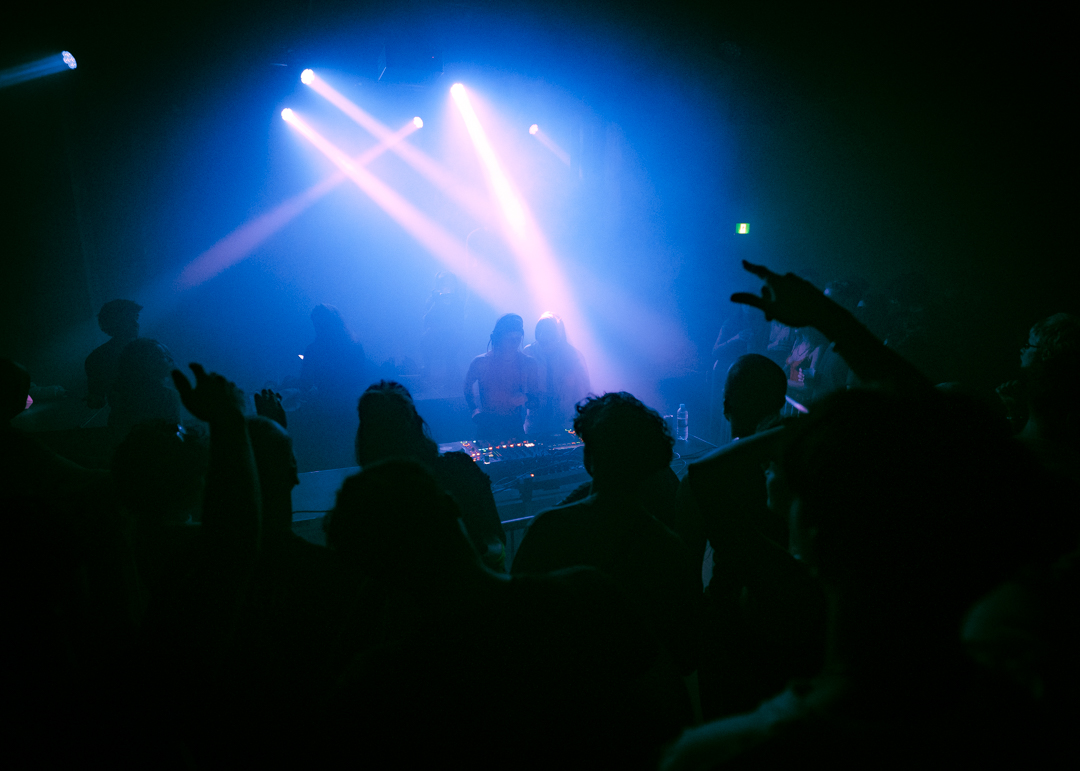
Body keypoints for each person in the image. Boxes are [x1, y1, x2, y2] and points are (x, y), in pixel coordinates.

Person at [511, 392, 701, 746]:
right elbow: (687, 655)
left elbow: (514, 632)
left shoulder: (549, 530)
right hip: (641, 729)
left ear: (590, 458)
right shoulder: (669, 549)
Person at [354, 380, 507, 571]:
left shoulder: (361, 496)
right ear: (417, 424)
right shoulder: (460, 469)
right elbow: (497, 539)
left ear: (365, 436)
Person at [463, 313, 539, 443]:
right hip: (487, 425)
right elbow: (467, 385)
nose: (514, 343)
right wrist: (474, 409)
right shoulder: (481, 362)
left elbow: (535, 398)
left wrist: (526, 398)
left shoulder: (528, 363)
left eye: (517, 338)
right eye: (510, 338)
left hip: (514, 425)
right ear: (498, 338)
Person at [523, 312, 591, 436]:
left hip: (566, 424)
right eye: (540, 331)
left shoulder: (573, 356)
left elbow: (583, 392)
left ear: (558, 334)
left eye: (548, 332)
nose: (542, 336)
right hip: (536, 425)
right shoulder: (529, 353)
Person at [107, 338, 181, 435]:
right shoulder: (167, 395)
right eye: (163, 356)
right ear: (148, 362)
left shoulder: (119, 394)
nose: (170, 359)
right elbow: (175, 433)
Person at [85, 299, 141, 410]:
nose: (135, 324)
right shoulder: (97, 358)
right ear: (114, 322)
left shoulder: (96, 357)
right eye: (129, 319)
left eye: (135, 318)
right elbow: (97, 398)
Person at [421, 271, 465, 394]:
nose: (447, 287)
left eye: (450, 283)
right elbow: (426, 320)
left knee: (451, 352)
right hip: (433, 335)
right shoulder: (433, 299)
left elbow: (459, 321)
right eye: (444, 283)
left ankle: (452, 382)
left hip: (451, 336)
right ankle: (426, 380)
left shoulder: (458, 301)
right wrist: (436, 301)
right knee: (425, 341)